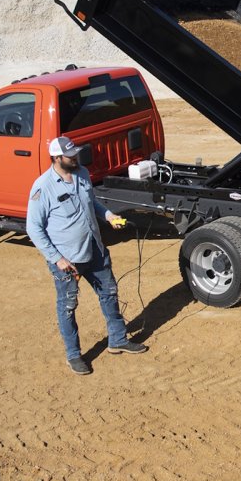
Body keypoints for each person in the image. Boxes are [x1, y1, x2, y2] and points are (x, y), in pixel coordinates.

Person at [26, 136, 147, 375]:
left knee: (109, 293)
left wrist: (109, 216)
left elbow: (92, 204)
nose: (76, 159)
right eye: (70, 156)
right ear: (56, 158)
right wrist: (57, 258)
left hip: (94, 249)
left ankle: (118, 339)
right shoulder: (43, 187)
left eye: (76, 154)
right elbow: (33, 228)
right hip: (67, 261)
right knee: (68, 306)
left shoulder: (81, 174)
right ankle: (74, 355)